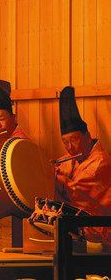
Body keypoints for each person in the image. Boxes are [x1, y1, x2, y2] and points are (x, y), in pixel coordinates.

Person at [54, 86, 111, 248]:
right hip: (77, 231)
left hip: (101, 233)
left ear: (87, 136)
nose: (69, 147)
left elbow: (80, 195)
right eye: (64, 142)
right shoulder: (68, 160)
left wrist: (61, 180)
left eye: (74, 140)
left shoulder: (101, 163)